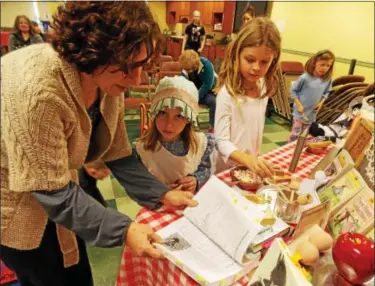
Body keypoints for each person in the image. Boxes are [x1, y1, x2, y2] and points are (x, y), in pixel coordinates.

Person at [0, 2, 197, 286]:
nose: (136, 79)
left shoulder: (106, 74)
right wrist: (125, 230)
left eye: (141, 65)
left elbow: (119, 154)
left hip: (56, 187)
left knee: (74, 268)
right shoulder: (40, 93)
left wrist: (162, 194)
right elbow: (53, 193)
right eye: (129, 68)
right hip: (16, 204)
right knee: (48, 274)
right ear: (92, 52)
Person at [214, 17, 280, 176]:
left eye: (264, 62)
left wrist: (255, 158)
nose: (256, 68)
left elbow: (255, 128)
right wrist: (247, 159)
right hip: (227, 169)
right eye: (250, 60)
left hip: (250, 165)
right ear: (237, 55)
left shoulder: (263, 85)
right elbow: (221, 141)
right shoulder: (227, 94)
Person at [135, 76, 214, 192]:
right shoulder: (142, 149)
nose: (168, 125)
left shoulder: (202, 143)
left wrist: (195, 180)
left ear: (189, 119)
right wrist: (158, 190)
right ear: (155, 113)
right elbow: (140, 182)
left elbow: (205, 169)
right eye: (162, 113)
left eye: (179, 116)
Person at [288, 50, 335, 142]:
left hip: (312, 114)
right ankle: (290, 150)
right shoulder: (304, 78)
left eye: (328, 65)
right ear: (314, 63)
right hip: (300, 113)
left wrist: (321, 103)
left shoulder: (327, 79)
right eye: (322, 64)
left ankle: (299, 150)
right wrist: (298, 104)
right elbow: (293, 91)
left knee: (305, 134)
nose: (325, 68)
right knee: (295, 134)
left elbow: (327, 92)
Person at [180, 50, 217, 131]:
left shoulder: (207, 65)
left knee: (213, 102)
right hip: (193, 91)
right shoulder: (186, 66)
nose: (188, 71)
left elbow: (207, 85)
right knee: (183, 100)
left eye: (189, 70)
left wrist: (195, 98)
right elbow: (182, 81)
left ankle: (212, 127)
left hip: (208, 92)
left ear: (195, 65)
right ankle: (186, 127)